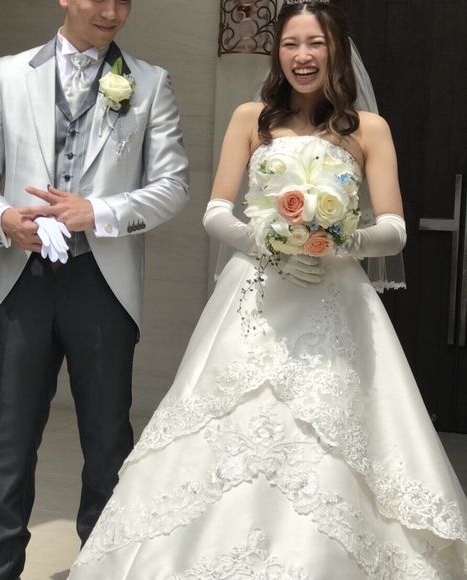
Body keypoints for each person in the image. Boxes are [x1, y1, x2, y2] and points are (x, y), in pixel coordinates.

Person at [67, 1, 467, 578]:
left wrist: (334, 241)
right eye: (290, 44)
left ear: (336, 50)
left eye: (316, 43)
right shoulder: (249, 118)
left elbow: (394, 230)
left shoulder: (368, 129)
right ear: (276, 52)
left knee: (333, 436)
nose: (303, 56)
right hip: (255, 298)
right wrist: (270, 243)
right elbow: (215, 213)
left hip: (334, 303)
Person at [0, 0, 189, 577]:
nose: (111, 12)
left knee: (108, 440)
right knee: (11, 439)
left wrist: (100, 211)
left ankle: (101, 568)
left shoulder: (150, 83)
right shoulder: (10, 73)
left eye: (123, 0)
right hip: (24, 279)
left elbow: (173, 186)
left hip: (103, 282)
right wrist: (4, 218)